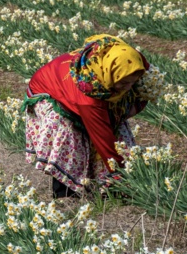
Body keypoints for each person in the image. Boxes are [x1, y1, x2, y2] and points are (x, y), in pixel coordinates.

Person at [24, 33, 157, 198]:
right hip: (50, 91)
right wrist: (119, 172)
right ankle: (66, 193)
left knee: (117, 125)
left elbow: (142, 94)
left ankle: (110, 185)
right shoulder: (90, 94)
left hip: (84, 92)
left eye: (132, 82)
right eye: (123, 83)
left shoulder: (132, 63)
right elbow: (103, 138)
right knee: (68, 132)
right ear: (110, 74)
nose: (128, 88)